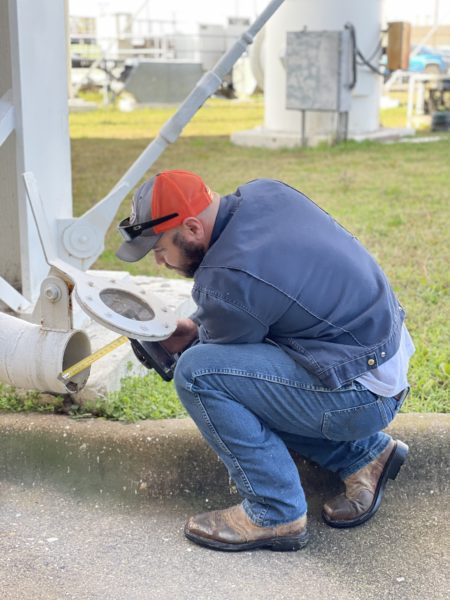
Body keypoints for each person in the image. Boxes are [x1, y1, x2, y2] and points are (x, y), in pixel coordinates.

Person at [116, 169, 414, 552]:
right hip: (377, 353)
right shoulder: (265, 194)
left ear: (191, 229)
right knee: (235, 380)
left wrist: (186, 341)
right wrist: (196, 328)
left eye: (160, 249)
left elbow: (220, 358)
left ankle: (275, 511)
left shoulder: (228, 277)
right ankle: (365, 456)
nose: (160, 261)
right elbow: (257, 304)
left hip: (361, 394)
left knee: (197, 375)